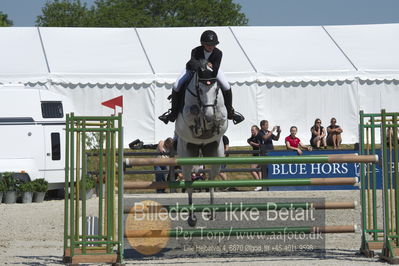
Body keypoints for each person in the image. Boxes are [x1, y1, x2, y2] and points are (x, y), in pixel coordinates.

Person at [158, 30, 244, 125]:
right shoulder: (196, 51)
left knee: (226, 86)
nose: (211, 46)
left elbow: (215, 69)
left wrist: (205, 65)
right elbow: (194, 64)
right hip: (192, 70)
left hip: (212, 73)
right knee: (177, 85)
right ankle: (172, 113)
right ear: (203, 44)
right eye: (208, 44)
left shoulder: (218, 53)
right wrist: (206, 64)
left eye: (213, 44)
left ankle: (230, 112)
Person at [247, 125, 262, 191]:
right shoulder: (253, 136)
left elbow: (260, 145)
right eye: (251, 130)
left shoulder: (259, 136)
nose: (252, 131)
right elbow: (249, 140)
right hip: (255, 155)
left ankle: (259, 184)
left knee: (252, 169)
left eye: (253, 130)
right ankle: (260, 185)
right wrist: (250, 142)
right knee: (259, 171)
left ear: (257, 130)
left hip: (259, 155)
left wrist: (252, 143)